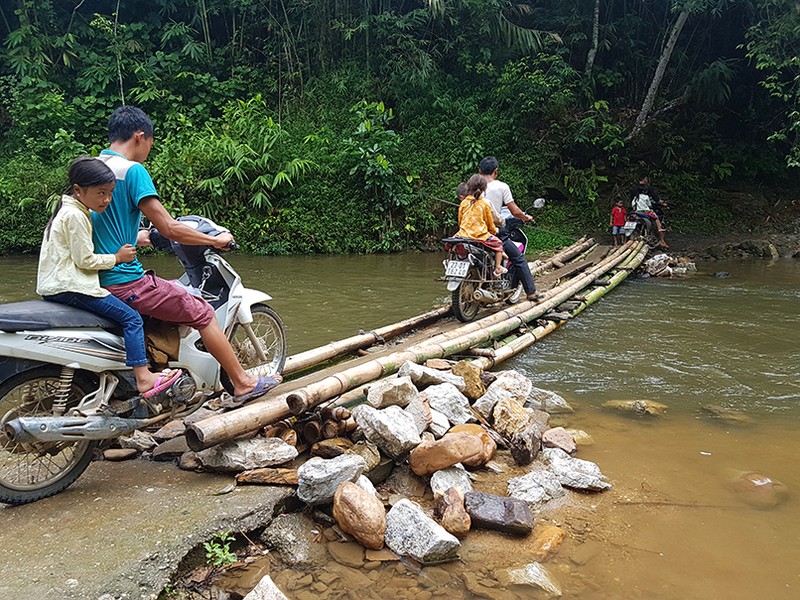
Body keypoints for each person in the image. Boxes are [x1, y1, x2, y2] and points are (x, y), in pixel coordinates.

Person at [92, 106, 280, 402]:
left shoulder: (92, 171)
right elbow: (169, 227)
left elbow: (109, 230)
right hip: (122, 280)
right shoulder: (132, 171)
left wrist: (149, 240)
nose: (148, 151)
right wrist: (214, 240)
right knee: (202, 312)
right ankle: (243, 383)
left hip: (93, 279)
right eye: (151, 144)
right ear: (140, 137)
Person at [37, 157, 182, 398]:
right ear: (77, 190)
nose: (107, 200)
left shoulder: (68, 210)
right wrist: (117, 257)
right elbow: (85, 260)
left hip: (56, 285)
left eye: (111, 193)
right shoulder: (76, 216)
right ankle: (144, 378)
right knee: (132, 318)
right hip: (71, 286)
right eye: (101, 193)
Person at [479, 156, 544, 301]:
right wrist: (526, 217)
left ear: (480, 171)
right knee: (519, 258)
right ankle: (532, 293)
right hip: (493, 231)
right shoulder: (502, 187)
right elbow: (515, 212)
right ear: (496, 172)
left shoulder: (473, 187)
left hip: (472, 232)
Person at [455, 175, 507, 277]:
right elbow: (490, 224)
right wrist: (494, 231)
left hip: (463, 235)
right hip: (480, 236)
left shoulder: (464, 203)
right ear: (483, 189)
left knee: (452, 244)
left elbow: (460, 221)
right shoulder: (484, 204)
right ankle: (498, 267)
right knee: (499, 244)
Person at [628, 176, 668, 248]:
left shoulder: (635, 194)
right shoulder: (647, 193)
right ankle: (660, 233)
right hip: (645, 212)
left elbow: (632, 203)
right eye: (646, 179)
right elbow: (652, 202)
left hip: (636, 211)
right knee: (656, 218)